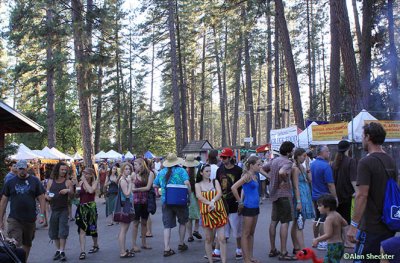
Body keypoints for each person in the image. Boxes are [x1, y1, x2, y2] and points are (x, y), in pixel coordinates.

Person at [347, 122, 398, 262]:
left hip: (370, 227)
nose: (361, 140)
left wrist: (353, 226)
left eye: (362, 136)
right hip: (388, 225)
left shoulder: (365, 162)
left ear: (368, 137)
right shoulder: (390, 160)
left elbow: (362, 195)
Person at [0, 160, 46, 261]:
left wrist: (42, 215)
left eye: (23, 169)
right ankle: (15, 260)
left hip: (30, 219)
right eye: (20, 169)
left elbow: (42, 198)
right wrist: (0, 219)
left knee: (27, 243)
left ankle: (22, 260)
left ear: (27, 168)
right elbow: (4, 201)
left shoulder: (34, 181)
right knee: (14, 242)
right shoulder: (10, 182)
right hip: (14, 218)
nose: (21, 171)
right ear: (16, 169)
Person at [263, 141, 296, 260]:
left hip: (274, 194)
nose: (293, 152)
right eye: (292, 150)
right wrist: (285, 180)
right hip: (284, 195)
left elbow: (262, 168)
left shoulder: (274, 160)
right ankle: (283, 252)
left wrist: (270, 177)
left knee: (274, 222)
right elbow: (282, 172)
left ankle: (273, 249)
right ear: (288, 152)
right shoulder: (287, 162)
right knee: (285, 222)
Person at [153, 153, 191, 257]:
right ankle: (181, 243)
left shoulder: (161, 172)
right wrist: (189, 196)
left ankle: (167, 248)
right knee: (182, 222)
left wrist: (162, 189)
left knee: (167, 225)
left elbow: (154, 184)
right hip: (181, 201)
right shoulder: (181, 171)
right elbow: (187, 183)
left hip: (166, 201)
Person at [195, 164, 228, 263]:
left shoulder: (215, 181)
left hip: (218, 211)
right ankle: (210, 261)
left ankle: (224, 261)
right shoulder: (198, 185)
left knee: (222, 238)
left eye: (210, 171)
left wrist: (213, 201)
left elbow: (219, 193)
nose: (209, 173)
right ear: (201, 173)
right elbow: (199, 196)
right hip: (206, 213)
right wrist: (210, 203)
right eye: (206, 171)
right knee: (209, 239)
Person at [231, 156, 261, 263]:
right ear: (252, 165)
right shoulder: (247, 176)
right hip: (248, 207)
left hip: (255, 207)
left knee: (251, 233)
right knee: (246, 233)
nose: (260, 166)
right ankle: (246, 259)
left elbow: (245, 189)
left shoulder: (254, 175)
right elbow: (234, 187)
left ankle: (250, 256)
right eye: (258, 164)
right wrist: (240, 202)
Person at [215, 148, 243, 260]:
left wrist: (241, 202)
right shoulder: (219, 170)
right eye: (221, 157)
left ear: (231, 157)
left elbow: (242, 188)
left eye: (225, 157)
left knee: (237, 229)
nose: (222, 159)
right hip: (222, 203)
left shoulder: (238, 170)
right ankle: (217, 251)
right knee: (222, 228)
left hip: (234, 204)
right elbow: (216, 185)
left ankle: (239, 249)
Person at [310, 145, 337, 251]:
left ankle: (316, 240)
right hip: (324, 196)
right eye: (327, 151)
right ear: (322, 153)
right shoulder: (325, 166)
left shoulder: (312, 164)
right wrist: (335, 197)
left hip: (315, 195)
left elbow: (311, 179)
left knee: (317, 218)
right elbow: (330, 184)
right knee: (323, 219)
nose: (329, 153)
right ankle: (322, 242)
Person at [331, 140, 357, 248]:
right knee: (346, 219)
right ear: (348, 148)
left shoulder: (334, 162)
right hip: (347, 194)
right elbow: (353, 179)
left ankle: (340, 240)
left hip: (337, 194)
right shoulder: (351, 161)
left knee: (339, 218)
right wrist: (357, 190)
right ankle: (348, 242)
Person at [46, 162, 74, 261]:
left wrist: (68, 191)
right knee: (53, 231)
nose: (63, 171)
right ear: (57, 169)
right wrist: (47, 196)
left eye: (65, 170)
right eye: (62, 169)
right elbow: (47, 193)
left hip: (63, 210)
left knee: (62, 231)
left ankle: (62, 251)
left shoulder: (68, 182)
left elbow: (72, 195)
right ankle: (58, 250)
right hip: (53, 210)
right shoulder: (50, 181)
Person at [291, 148, 315, 255]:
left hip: (305, 195)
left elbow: (310, 179)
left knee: (298, 223)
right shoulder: (295, 169)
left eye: (306, 156)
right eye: (303, 156)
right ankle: (302, 249)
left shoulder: (301, 167)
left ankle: (297, 247)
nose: (305, 158)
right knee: (299, 224)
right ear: (297, 156)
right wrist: (299, 201)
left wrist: (308, 166)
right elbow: (295, 187)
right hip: (300, 197)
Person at [312, 194, 347, 263]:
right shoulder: (337, 214)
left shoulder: (328, 219)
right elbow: (345, 223)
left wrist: (317, 239)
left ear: (327, 207)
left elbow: (328, 234)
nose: (317, 208)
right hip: (340, 244)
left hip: (332, 245)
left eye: (319, 206)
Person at [131, 158, 155, 252]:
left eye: (136, 164)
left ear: (141, 165)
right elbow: (133, 187)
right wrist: (139, 189)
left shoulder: (150, 173)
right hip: (136, 202)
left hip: (146, 201)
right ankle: (134, 244)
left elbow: (148, 187)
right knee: (136, 222)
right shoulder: (134, 174)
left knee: (144, 222)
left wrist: (136, 190)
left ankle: (144, 243)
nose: (134, 166)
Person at [75, 167, 99, 260]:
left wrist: (84, 181)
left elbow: (91, 191)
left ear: (91, 174)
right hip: (82, 208)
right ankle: (82, 251)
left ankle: (95, 245)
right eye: (83, 173)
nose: (84, 175)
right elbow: (77, 195)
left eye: (87, 173)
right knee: (82, 229)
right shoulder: (81, 183)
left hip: (91, 208)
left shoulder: (94, 182)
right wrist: (76, 185)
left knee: (93, 228)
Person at [117, 162, 135, 258]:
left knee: (124, 228)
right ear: (122, 170)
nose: (128, 170)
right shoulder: (123, 180)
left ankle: (123, 250)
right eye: (126, 169)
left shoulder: (125, 179)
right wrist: (130, 182)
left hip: (127, 205)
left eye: (129, 169)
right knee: (123, 229)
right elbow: (127, 194)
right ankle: (122, 251)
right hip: (125, 205)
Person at [183, 154, 202, 243]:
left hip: (186, 195)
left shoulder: (183, 172)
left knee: (189, 217)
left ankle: (190, 236)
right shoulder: (198, 171)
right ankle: (196, 230)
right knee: (197, 214)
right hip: (196, 194)